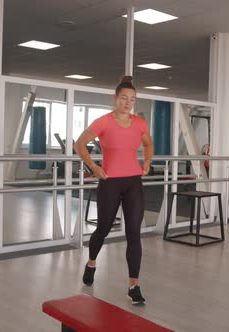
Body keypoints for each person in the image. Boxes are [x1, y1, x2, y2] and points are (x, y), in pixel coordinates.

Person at [74, 76, 154, 305]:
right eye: (124, 98)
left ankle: (134, 285)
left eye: (132, 99)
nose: (128, 103)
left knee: (133, 234)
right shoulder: (104, 122)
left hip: (133, 182)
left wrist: (147, 161)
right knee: (103, 228)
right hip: (110, 181)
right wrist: (94, 166)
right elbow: (79, 144)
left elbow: (148, 144)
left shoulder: (140, 123)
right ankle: (91, 262)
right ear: (116, 99)